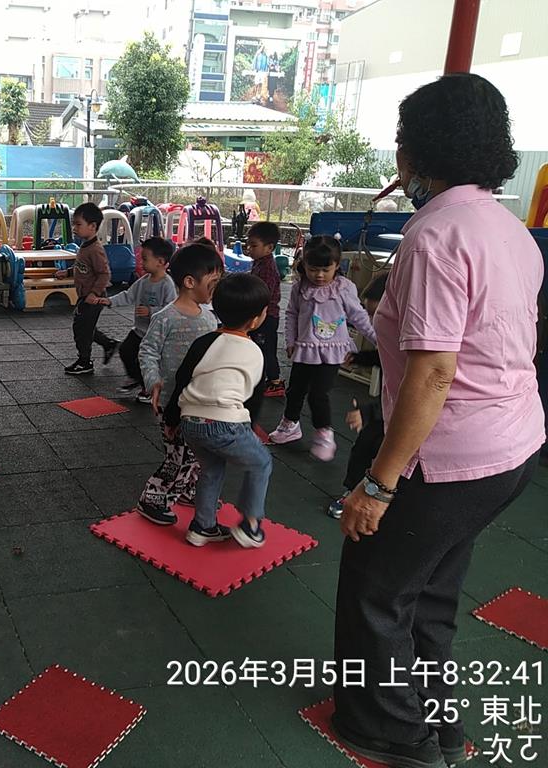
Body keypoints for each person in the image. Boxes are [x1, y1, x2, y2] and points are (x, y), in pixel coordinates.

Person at [332, 74, 544, 768]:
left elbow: (433, 373)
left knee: (378, 591)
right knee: (431, 589)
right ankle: (441, 722)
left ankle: (396, 732)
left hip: (448, 454)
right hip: (512, 448)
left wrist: (378, 484)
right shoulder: (509, 229)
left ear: (416, 149)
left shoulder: (435, 235)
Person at [163, 273, 272, 548]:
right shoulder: (254, 351)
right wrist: (250, 428)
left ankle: (203, 526)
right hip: (225, 424)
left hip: (191, 423)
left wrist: (171, 419)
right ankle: (250, 524)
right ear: (255, 320)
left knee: (211, 469)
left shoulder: (203, 342)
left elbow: (182, 379)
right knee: (261, 463)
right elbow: (254, 397)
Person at [136, 242, 223, 524]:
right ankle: (152, 498)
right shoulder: (166, 318)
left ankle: (187, 490)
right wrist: (153, 381)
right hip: (172, 401)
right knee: (178, 456)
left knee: (198, 452)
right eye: (213, 283)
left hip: (200, 401)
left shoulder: (210, 319)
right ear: (189, 282)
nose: (216, 289)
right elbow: (147, 351)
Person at [269, 235, 376, 461]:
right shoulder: (300, 288)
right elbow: (292, 314)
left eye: (325, 270)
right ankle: (290, 424)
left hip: (331, 352)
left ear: (337, 265)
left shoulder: (343, 288)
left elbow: (358, 316)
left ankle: (324, 432)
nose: (319, 275)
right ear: (304, 265)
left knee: (318, 394)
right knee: (295, 389)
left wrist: (377, 339)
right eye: (313, 269)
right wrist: (290, 340)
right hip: (305, 349)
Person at [328, 273, 387, 520]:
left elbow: (414, 396)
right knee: (363, 447)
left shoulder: (418, 346)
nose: (372, 322)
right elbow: (383, 359)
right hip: (384, 409)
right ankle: (352, 490)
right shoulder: (390, 340)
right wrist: (360, 358)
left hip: (403, 416)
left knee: (388, 456)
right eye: (369, 314)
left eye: (376, 315)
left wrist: (369, 411)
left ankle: (380, 499)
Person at [94, 236, 176, 402]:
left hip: (155, 334)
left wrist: (151, 311)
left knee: (147, 361)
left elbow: (171, 309)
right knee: (125, 350)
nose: (141, 262)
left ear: (160, 262)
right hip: (139, 331)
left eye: (145, 259)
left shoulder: (167, 284)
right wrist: (110, 301)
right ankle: (135, 378)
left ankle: (149, 387)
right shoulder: (143, 281)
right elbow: (128, 295)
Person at [57, 202, 116, 375]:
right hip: (85, 296)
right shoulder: (85, 246)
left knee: (81, 328)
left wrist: (94, 293)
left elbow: (104, 274)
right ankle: (108, 344)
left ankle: (85, 362)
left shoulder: (95, 249)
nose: (74, 228)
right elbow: (82, 267)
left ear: (92, 226)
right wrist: (68, 272)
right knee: (85, 327)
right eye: (74, 224)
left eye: (78, 224)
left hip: (93, 297)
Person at [244, 221, 284, 397]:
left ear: (269, 248)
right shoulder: (260, 262)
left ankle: (275, 381)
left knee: (266, 349)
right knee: (259, 347)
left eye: (254, 246)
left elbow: (263, 294)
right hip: (260, 314)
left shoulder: (267, 267)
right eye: (248, 245)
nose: (249, 249)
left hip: (266, 316)